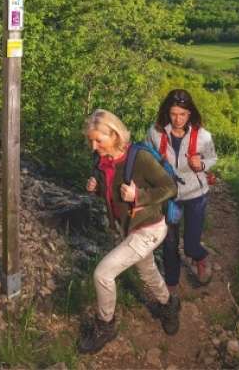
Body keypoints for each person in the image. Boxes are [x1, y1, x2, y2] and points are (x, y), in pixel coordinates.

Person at [79, 109, 181, 354]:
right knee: (147, 271)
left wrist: (139, 195)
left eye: (98, 141)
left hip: (149, 228)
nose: (94, 146)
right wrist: (96, 188)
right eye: (91, 141)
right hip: (129, 228)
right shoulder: (101, 161)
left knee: (103, 273)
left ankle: (105, 325)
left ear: (114, 135)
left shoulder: (140, 159)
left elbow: (170, 188)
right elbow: (112, 191)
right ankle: (169, 304)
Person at [147, 89, 217, 291]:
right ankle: (171, 285)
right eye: (173, 114)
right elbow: (146, 156)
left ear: (190, 113)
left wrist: (201, 164)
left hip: (196, 194)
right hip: (169, 195)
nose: (178, 119)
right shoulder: (155, 133)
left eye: (183, 114)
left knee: (190, 246)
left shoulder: (203, 136)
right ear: (166, 112)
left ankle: (200, 256)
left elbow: (212, 158)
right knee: (169, 243)